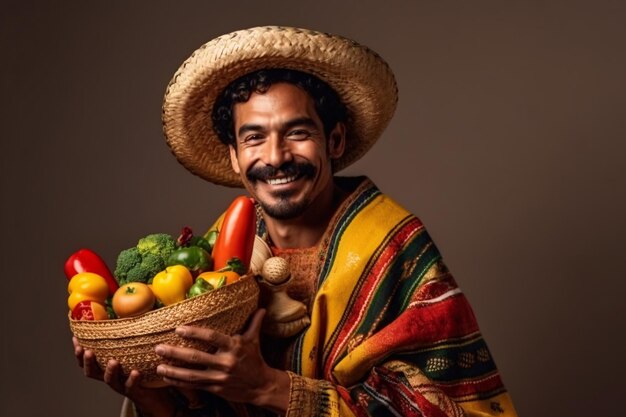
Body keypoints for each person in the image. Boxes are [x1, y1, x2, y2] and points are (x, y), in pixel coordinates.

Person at [73, 26, 518, 417]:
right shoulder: (212, 259)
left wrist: (269, 387)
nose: (275, 157)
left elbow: (458, 409)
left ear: (335, 140)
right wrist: (157, 402)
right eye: (254, 138)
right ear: (234, 157)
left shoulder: (395, 248)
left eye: (298, 132)